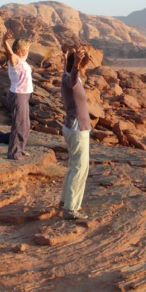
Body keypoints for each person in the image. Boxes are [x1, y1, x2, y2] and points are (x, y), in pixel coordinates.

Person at [60, 47, 93, 221]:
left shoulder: (65, 77)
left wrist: (67, 61)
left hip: (72, 127)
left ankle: (65, 201)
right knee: (80, 169)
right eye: (84, 66)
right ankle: (71, 209)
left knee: (74, 166)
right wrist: (75, 65)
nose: (85, 69)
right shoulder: (71, 80)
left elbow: (69, 74)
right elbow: (72, 77)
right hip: (77, 128)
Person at [2, 30, 33, 160]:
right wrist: (5, 41)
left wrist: (30, 39)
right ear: (20, 49)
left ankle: (20, 148)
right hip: (18, 95)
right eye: (26, 48)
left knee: (26, 125)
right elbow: (10, 53)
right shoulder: (14, 60)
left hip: (24, 95)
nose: (27, 50)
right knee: (19, 124)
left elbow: (23, 51)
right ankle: (14, 153)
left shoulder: (22, 60)